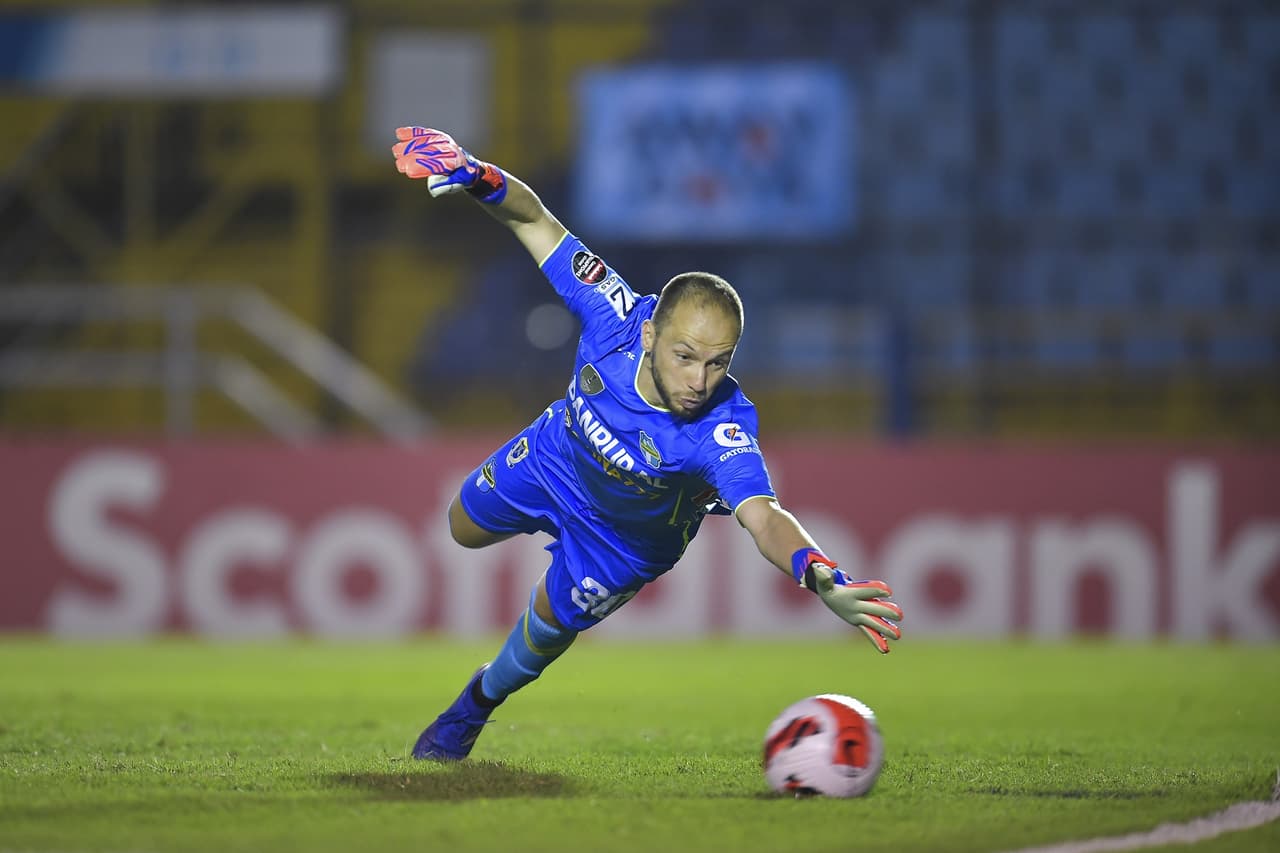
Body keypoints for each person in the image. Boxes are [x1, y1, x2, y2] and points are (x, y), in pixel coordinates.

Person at [391, 126, 904, 762]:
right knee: (460, 527)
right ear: (653, 328)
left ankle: (470, 711)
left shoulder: (723, 429)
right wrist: (476, 173)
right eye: (686, 356)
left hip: (626, 541)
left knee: (539, 641)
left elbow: (765, 517)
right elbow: (536, 221)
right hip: (556, 457)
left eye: (718, 363)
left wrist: (820, 574)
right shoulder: (612, 312)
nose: (699, 380)